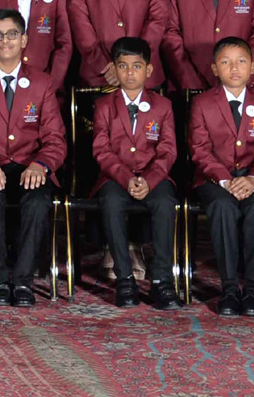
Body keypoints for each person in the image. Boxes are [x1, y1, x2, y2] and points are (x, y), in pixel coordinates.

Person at [0, 9, 65, 306]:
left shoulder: (43, 82)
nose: (5, 40)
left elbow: (55, 139)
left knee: (37, 200)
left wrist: (41, 164)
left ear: (24, 39)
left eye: (12, 34)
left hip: (31, 166)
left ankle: (23, 282)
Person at [188, 36, 254, 316]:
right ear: (215, 68)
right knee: (222, 207)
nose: (234, 68)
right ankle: (229, 287)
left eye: (241, 61)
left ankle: (252, 289)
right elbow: (200, 150)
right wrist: (226, 180)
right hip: (214, 179)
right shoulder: (202, 103)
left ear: (253, 66)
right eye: (225, 62)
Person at [89, 36, 180, 310]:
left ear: (148, 70)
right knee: (112, 202)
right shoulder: (104, 105)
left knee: (165, 203)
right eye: (123, 66)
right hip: (115, 177)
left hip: (154, 176)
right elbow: (101, 150)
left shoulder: (163, 106)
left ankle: (163, 279)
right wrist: (126, 178)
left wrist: (149, 180)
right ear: (115, 69)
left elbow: (168, 151)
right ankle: (124, 277)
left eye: (137, 66)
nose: (130, 73)